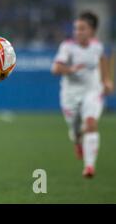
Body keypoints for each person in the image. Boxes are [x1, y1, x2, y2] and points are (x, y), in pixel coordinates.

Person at [51, 11, 114, 178]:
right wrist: (70, 69)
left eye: (82, 29)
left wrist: (107, 80)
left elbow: (102, 59)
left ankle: (89, 167)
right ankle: (78, 140)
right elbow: (55, 69)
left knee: (91, 123)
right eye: (76, 29)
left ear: (92, 31)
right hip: (70, 95)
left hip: (92, 91)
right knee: (77, 131)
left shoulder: (97, 46)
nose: (77, 32)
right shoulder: (67, 47)